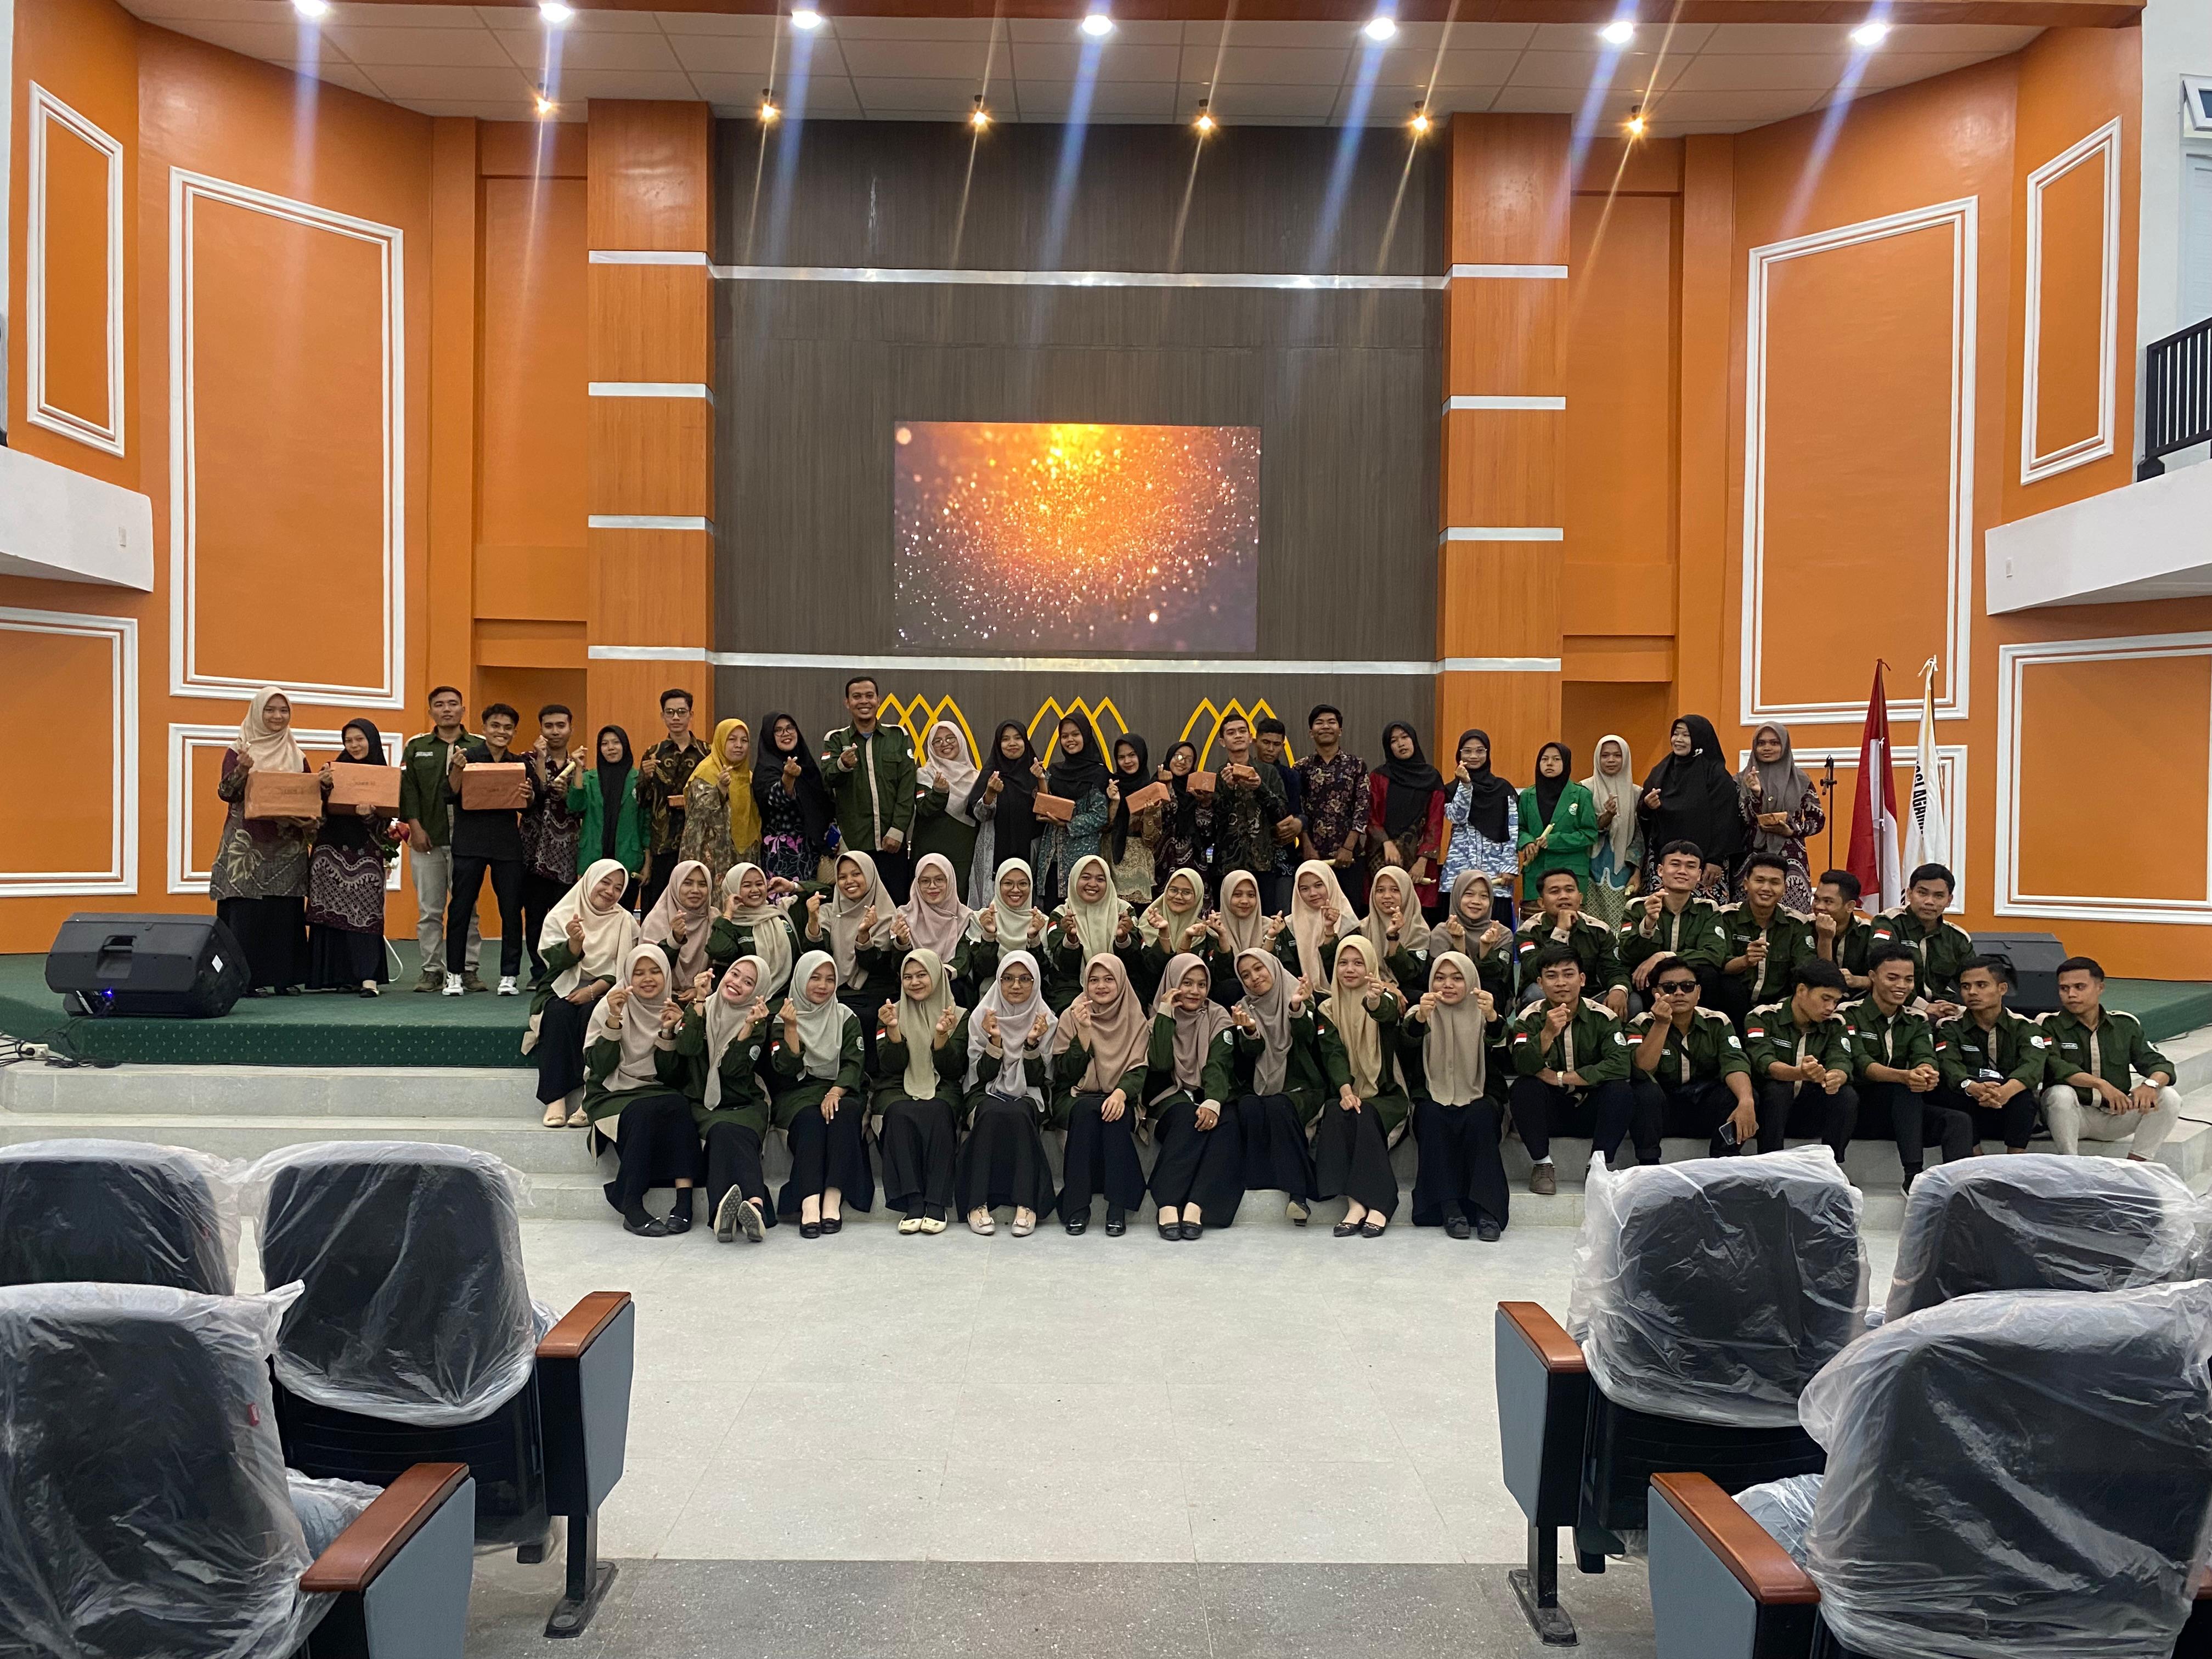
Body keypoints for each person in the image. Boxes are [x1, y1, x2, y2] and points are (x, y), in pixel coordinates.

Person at [583, 943, 704, 1238]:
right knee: (642, 1113)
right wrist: (614, 1021)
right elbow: (600, 1067)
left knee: (679, 1105)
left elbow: (671, 1076)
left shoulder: (672, 1009)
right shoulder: (610, 1006)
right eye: (638, 973)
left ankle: (684, 1202)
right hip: (612, 1092)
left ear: (666, 975)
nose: (648, 979)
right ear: (628, 977)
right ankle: (632, 1203)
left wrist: (668, 1032)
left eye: (655, 972)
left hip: (655, 1091)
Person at [1504, 943, 1635, 1194]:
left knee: (1621, 1091)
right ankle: (1542, 1164)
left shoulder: (1603, 1017)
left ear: (1582, 979)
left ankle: (1597, 1166)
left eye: (1568, 974)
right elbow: (1521, 1064)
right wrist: (1547, 1034)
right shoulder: (1529, 1018)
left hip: (1590, 1109)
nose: (1561, 983)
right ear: (1540, 984)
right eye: (1552, 976)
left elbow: (1621, 1064)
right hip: (1551, 1112)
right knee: (1524, 1088)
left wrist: (1563, 1077)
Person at [211, 686, 315, 995]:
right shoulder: (239, 750)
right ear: (257, 712)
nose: (277, 716)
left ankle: (284, 978)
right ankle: (246, 981)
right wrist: (243, 768)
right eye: (270, 710)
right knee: (247, 916)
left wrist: (312, 809)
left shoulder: (296, 754)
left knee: (284, 914)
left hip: (287, 847)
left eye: (284, 710)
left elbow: (307, 797)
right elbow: (226, 793)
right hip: (247, 846)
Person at [1206, 950, 1322, 1224]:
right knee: (1248, 1106)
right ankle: (1261, 1180)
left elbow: (1307, 1039)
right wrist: (1249, 1031)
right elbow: (1250, 1055)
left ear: (1272, 967)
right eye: (1246, 975)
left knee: (1279, 1106)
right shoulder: (1244, 1008)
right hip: (1262, 1084)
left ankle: (1298, 1195)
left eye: (1259, 969)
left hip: (1302, 1085)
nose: (1254, 978)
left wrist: (1296, 1009)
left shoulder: (1299, 994)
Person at [527, 859, 640, 1127]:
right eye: (605, 882)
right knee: (557, 1014)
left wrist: (593, 990)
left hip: (607, 990)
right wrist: (575, 944)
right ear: (590, 881)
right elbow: (552, 963)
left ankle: (590, 1097)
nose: (610, 892)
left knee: (595, 1015)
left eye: (618, 888)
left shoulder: (625, 921)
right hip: (560, 986)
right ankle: (555, 1099)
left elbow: (627, 968)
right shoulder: (562, 914)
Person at [1402, 950, 1508, 1240]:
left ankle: (1486, 1209)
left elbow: (1502, 1050)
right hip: (1433, 1094)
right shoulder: (1420, 1012)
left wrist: (1493, 1018)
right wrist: (1421, 1018)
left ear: (1471, 982)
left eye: (1457, 978)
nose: (1447, 985)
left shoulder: (1486, 1012)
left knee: (1481, 1115)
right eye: (1440, 978)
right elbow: (1406, 1045)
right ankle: (1448, 1206)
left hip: (1479, 1093)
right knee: (1431, 1115)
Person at [2040, 956, 2183, 1163]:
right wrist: (2100, 1084)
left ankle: (2136, 1166)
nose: (2071, 994)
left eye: (2080, 987)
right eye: (2064, 988)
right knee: (2060, 1094)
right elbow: (2055, 1066)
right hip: (2073, 1115)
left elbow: (2159, 1064)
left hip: (2117, 1114)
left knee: (2169, 1097)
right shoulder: (2048, 1024)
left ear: (2100, 987)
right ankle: (2071, 1165)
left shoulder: (2124, 1025)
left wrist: (2150, 1085)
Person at [1843, 943, 1961, 1192]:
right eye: (1892, 978)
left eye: (1909, 980)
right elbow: (1861, 1063)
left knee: (1957, 1121)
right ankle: (1913, 1176)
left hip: (1903, 1111)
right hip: (1858, 1109)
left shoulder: (1916, 1019)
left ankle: (1960, 1188)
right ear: (1873, 977)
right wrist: (1906, 1076)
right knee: (1904, 1089)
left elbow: (1925, 1055)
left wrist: (1926, 1072)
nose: (1902, 986)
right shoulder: (1848, 1014)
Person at [1311, 934, 1407, 1235]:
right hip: (1348, 1090)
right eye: (1343, 963)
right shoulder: (1327, 1009)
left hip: (1386, 1093)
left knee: (1365, 1116)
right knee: (1337, 1113)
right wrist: (1345, 1090)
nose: (1350, 970)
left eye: (1358, 963)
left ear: (1371, 968)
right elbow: (1333, 1052)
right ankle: (1355, 1204)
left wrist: (1375, 1000)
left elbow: (1387, 1015)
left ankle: (1380, 1204)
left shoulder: (1385, 998)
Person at [1051, 955, 1154, 1237]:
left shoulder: (1135, 1017)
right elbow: (1065, 1073)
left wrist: (1120, 1094)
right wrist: (1084, 1034)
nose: (1101, 986)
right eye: (1094, 980)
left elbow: (1139, 1069)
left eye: (1109, 979)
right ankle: (1078, 1207)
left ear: (1121, 982)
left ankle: (1116, 1208)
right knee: (1086, 1110)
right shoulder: (1073, 1015)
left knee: (1114, 1115)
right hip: (1075, 1095)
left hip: (1120, 1095)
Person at [956, 950, 1057, 1236]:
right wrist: (995, 1041)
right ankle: (976, 1204)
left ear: (1036, 982)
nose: (1016, 986)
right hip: (985, 1091)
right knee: (990, 1112)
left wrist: (1032, 1043)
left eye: (1025, 979)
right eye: (1008, 979)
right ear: (998, 981)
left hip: (1030, 1093)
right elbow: (980, 1077)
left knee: (1020, 1112)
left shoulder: (1047, 1020)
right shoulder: (982, 1016)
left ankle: (1027, 1204)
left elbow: (1040, 1079)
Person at [772, 950, 871, 1237]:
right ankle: (809, 1202)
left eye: (830, 979)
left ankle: (832, 1197)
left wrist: (835, 1092)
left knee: (844, 1112)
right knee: (810, 1120)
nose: (823, 986)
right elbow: (785, 1070)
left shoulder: (846, 1016)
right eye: (815, 978)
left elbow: (854, 1063)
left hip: (842, 1087)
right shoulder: (783, 1018)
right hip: (799, 1090)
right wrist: (792, 1028)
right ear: (801, 979)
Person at [1144, 953, 1242, 1239]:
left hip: (1208, 1091)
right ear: (1173, 983)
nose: (1195, 991)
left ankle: (1197, 1205)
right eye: (1186, 983)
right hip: (1168, 1095)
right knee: (1187, 1119)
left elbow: (1219, 1063)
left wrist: (1212, 1101)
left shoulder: (1217, 1016)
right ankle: (1167, 1204)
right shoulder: (1156, 1019)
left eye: (1202, 985)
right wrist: (1165, 1014)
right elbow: (1160, 1063)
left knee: (1227, 1124)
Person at [873, 948, 968, 1234]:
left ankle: (936, 1202)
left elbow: (955, 1069)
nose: (914, 982)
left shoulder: (959, 1016)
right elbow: (890, 1066)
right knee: (899, 1113)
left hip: (942, 1084)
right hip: (897, 1085)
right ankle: (913, 1201)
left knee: (938, 1111)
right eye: (908, 977)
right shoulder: (890, 1013)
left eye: (922, 975)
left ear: (937, 976)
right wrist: (892, 1030)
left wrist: (941, 1036)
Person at [1627, 954, 1756, 1161]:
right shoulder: (1640, 1024)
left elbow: (1734, 1063)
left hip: (1704, 1106)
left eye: (1687, 986)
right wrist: (1661, 1024)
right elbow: (1643, 1068)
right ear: (1655, 993)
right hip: (1663, 1110)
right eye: (1669, 988)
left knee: (1741, 1094)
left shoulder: (1718, 1022)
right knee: (1644, 1092)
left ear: (1698, 992)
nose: (1679, 993)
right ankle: (1648, 1163)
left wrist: (1746, 1101)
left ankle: (1724, 1159)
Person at [442, 702, 532, 997]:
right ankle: (454, 974)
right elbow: (448, 794)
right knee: (460, 909)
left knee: (511, 910)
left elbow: (530, 806)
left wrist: (529, 795)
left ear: (514, 732)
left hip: (507, 845)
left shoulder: (519, 763)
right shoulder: (466, 757)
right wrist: (457, 769)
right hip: (469, 843)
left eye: (508, 728)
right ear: (484, 728)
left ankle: (509, 976)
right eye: (495, 726)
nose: (501, 732)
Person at [305, 718, 399, 996]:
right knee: (330, 915)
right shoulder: (334, 770)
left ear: (372, 740)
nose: (354, 745)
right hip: (329, 852)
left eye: (360, 739)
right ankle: (339, 976)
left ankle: (368, 978)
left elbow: (385, 826)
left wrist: (370, 816)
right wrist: (320, 787)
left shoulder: (383, 775)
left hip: (366, 854)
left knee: (366, 914)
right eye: (349, 740)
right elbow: (314, 813)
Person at [687, 954, 774, 1244]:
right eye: (735, 974)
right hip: (705, 1103)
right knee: (723, 1131)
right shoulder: (701, 1007)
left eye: (748, 982)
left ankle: (728, 1214)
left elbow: (734, 1071)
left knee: (734, 1132)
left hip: (745, 1101)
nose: (737, 983)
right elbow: (687, 1049)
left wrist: (747, 1028)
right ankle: (756, 1207)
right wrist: (699, 1001)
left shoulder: (758, 1022)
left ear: (758, 991)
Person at [398, 685, 480, 992]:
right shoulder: (416, 746)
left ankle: (468, 969)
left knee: (468, 908)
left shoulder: (479, 745)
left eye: (453, 704)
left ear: (463, 710)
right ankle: (431, 969)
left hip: (468, 842)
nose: (447, 709)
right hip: (427, 839)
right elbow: (408, 789)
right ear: (430, 711)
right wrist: (415, 828)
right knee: (429, 911)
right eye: (440, 705)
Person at [1933, 955, 2051, 1155]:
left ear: (2002, 989)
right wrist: (1972, 1087)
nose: (1972, 992)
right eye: (1965, 986)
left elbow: (2033, 1065)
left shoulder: (2025, 1026)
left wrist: (2005, 1091)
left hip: (2007, 1105)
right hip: (1971, 1104)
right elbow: (1948, 1064)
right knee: (1952, 1094)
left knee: (2024, 1099)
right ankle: (1976, 1156)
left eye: (1981, 985)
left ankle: (2015, 1159)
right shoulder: (1950, 1027)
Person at [1744, 959, 1858, 1158]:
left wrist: (1836, 1077)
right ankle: (1770, 1162)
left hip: (1809, 1106)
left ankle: (1832, 1163)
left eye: (1836, 1001)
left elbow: (1841, 1059)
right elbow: (1764, 1062)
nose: (1831, 1007)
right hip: (1767, 1109)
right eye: (1826, 998)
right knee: (1778, 1089)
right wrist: (1800, 1073)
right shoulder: (1763, 1017)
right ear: (1802, 990)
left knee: (1846, 1095)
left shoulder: (1836, 1023)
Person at [821, 677, 917, 904]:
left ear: (878, 700)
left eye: (869, 696)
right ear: (847, 702)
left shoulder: (898, 736)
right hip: (854, 844)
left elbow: (907, 786)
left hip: (892, 843)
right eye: (857, 697)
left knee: (895, 906)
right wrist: (842, 765)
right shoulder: (836, 739)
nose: (864, 701)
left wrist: (898, 829)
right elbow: (827, 779)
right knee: (856, 908)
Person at [804, 850, 900, 1064]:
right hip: (835, 990)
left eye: (856, 874)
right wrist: (813, 921)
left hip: (874, 991)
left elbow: (881, 967)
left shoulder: (886, 914)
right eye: (842, 877)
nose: (849, 881)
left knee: (868, 1016)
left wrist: (864, 936)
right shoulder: (828, 912)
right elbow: (817, 956)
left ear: (870, 875)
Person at [1636, 715, 1743, 901]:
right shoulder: (1661, 772)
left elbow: (1725, 820)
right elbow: (1645, 816)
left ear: (1700, 738)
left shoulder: (1716, 775)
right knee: (1663, 912)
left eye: (1686, 735)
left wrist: (1715, 860)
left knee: (1705, 912)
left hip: (1705, 866)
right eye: (1676, 734)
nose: (1678, 740)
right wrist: (1647, 806)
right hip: (1664, 863)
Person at [1618, 840, 1729, 1006]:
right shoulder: (1638, 907)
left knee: (1711, 976)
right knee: (1643, 977)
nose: (1682, 871)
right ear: (1660, 870)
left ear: (1699, 874)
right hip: (1650, 982)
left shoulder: (1708, 910)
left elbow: (1714, 954)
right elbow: (1626, 955)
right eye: (1675, 864)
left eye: (1691, 866)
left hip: (1690, 983)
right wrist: (1648, 924)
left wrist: (1663, 956)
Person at [518, 704, 582, 981]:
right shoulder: (526, 761)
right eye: (549, 726)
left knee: (562, 915)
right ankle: (538, 971)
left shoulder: (578, 764)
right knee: (534, 916)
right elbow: (530, 800)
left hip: (566, 852)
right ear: (541, 729)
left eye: (561, 726)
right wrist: (542, 761)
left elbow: (581, 808)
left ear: (570, 728)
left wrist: (568, 793)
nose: (555, 731)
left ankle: (559, 969)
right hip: (533, 850)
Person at [1714, 851, 1811, 1030]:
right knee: (1727, 985)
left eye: (1775, 883)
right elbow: (1718, 966)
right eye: (1760, 881)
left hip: (1779, 1007)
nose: (1766, 888)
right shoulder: (1725, 917)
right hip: (1732, 1006)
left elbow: (1805, 972)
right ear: (1746, 884)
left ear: (1784, 888)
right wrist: (1745, 961)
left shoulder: (1797, 924)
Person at [1513, 867, 1629, 1017]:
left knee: (1631, 1002)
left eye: (1569, 890)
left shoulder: (1599, 930)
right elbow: (1534, 969)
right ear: (1541, 903)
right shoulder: (1528, 931)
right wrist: (1560, 932)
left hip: (1590, 998)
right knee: (1535, 994)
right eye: (1555, 892)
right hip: (1547, 994)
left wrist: (1618, 989)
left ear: (1580, 898)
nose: (1563, 896)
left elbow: (1614, 968)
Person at [1867, 863, 1974, 1020]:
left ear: (1949, 900)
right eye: (1922, 893)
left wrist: (1958, 1007)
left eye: (1939, 896)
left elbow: (1973, 980)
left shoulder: (1957, 938)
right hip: (1898, 1007)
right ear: (1909, 894)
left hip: (1943, 1009)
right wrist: (1924, 1006)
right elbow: (1883, 970)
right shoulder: (1888, 923)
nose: (1929, 902)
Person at [1737, 722, 1825, 914]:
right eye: (1761, 743)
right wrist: (1756, 794)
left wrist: (1792, 830)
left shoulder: (1801, 780)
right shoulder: (1741, 780)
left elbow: (1817, 820)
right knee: (1748, 916)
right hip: (1751, 856)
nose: (1767, 748)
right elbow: (1741, 819)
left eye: (1774, 743)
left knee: (1792, 917)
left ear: (1784, 746)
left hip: (1791, 859)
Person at [637, 688, 708, 917]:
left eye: (681, 712)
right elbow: (641, 801)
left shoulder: (707, 753)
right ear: (663, 716)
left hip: (697, 840)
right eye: (670, 712)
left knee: (696, 904)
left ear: (691, 714)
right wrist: (646, 777)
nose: (676, 717)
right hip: (662, 842)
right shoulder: (653, 753)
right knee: (658, 907)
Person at [1438, 728, 1518, 928]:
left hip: (1495, 874)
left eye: (1480, 751)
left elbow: (1513, 829)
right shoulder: (1451, 789)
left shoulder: (1503, 788)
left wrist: (1509, 867)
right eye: (1467, 751)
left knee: (1495, 932)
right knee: (1455, 930)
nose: (1474, 756)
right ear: (1459, 754)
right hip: (1459, 873)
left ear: (1487, 753)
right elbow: (1457, 817)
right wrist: (1465, 785)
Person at [1035, 712, 1113, 909]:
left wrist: (1067, 823)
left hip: (1083, 858)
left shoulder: (1099, 774)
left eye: (1076, 734)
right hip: (1052, 856)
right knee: (1053, 913)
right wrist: (1041, 779)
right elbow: (1046, 802)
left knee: (1080, 911)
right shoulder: (1055, 770)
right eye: (1065, 736)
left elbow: (1100, 816)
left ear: (1086, 736)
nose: (1070, 740)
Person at [1296, 704, 1372, 905]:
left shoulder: (1356, 765)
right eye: (1319, 723)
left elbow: (1363, 807)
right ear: (1311, 732)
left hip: (1350, 857)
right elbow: (1297, 809)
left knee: (1350, 911)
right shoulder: (1301, 767)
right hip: (1312, 856)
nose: (1326, 727)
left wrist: (1348, 848)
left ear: (1340, 730)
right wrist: (1307, 846)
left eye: (1331, 722)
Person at [1042, 853, 1138, 1011]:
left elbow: (1134, 963)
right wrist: (1071, 939)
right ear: (1074, 880)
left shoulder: (1124, 911)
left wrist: (1123, 939)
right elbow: (1064, 967)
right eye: (1086, 878)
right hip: (1074, 986)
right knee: (1070, 1013)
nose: (1093, 884)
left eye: (1100, 879)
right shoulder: (1061, 914)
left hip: (1119, 983)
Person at [1368, 721, 1446, 913]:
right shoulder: (1379, 777)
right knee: (1384, 910)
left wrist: (1423, 861)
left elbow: (1435, 822)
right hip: (1384, 857)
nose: (1401, 744)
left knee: (1417, 913)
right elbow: (1370, 816)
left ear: (1414, 740)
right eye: (1394, 741)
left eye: (1405, 737)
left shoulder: (1432, 777)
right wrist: (1386, 843)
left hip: (1419, 861)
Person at [1209, 714, 1288, 900]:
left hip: (1263, 863)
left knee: (1266, 916)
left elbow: (1282, 813)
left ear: (1250, 737)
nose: (1238, 735)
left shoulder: (1268, 772)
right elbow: (1212, 823)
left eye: (1242, 731)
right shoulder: (1216, 777)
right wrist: (1228, 790)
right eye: (1231, 732)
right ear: (1222, 741)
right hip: (1227, 864)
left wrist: (1260, 788)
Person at [680, 717, 761, 892]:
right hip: (711, 855)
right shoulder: (707, 771)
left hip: (742, 856)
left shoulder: (748, 777)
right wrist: (720, 789)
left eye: (744, 740)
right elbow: (697, 815)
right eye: (732, 739)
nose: (739, 745)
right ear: (720, 741)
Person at [568, 726, 646, 910]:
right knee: (589, 914)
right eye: (605, 744)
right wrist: (578, 769)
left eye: (616, 742)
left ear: (625, 746)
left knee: (623, 914)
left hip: (628, 859)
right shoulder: (589, 778)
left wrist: (648, 862)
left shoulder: (638, 779)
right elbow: (575, 806)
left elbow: (645, 822)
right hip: (593, 857)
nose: (611, 748)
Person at [754, 711, 834, 886]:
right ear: (769, 736)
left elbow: (824, 804)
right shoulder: (766, 768)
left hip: (814, 853)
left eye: (790, 728)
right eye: (778, 730)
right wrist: (788, 778)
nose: (786, 733)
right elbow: (774, 799)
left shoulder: (806, 764)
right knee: (788, 902)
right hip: (784, 859)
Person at [966, 722, 1043, 899]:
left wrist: (1041, 780)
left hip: (1029, 850)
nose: (1012, 743)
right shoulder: (991, 774)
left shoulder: (1036, 773)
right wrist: (990, 793)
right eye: (1006, 739)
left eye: (1018, 738)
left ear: (1025, 742)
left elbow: (1047, 812)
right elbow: (979, 815)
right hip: (995, 852)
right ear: (998, 744)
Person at [1517, 742, 1598, 904]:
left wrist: (1554, 840)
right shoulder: (1527, 796)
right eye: (1544, 759)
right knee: (1535, 917)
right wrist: (1526, 842)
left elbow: (1590, 834)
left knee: (1569, 917)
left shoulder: (1581, 795)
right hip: (1536, 873)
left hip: (1570, 873)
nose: (1549, 763)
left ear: (1566, 763)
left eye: (1556, 759)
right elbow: (1518, 828)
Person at [707, 861, 800, 997]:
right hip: (742, 1000)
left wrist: (792, 886)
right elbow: (719, 951)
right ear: (733, 890)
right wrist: (728, 914)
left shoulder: (782, 914)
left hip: (785, 998)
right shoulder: (729, 925)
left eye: (760, 884)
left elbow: (827, 892)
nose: (755, 890)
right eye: (747, 885)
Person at [911, 721, 980, 902]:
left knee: (960, 900)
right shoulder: (924, 775)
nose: (945, 744)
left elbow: (982, 814)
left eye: (951, 738)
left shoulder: (976, 778)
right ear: (931, 747)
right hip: (930, 850)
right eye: (938, 741)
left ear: (960, 741)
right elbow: (924, 808)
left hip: (964, 851)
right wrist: (939, 793)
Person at [889, 851, 977, 990]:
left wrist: (939, 975)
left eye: (939, 880)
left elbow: (963, 960)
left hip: (951, 985)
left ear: (950, 881)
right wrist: (902, 943)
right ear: (917, 884)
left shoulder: (964, 916)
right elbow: (898, 966)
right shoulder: (904, 916)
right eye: (925, 881)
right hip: (913, 987)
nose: (932, 886)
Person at [966, 858, 1052, 997]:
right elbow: (984, 971)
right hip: (991, 995)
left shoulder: (1040, 922)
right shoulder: (982, 919)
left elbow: (1042, 973)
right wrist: (989, 936)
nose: (1016, 890)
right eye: (1008, 883)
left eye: (1023, 884)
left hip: (1032, 996)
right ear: (998, 886)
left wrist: (1034, 939)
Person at [1582, 735, 1643, 928]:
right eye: (1605, 755)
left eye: (1617, 755)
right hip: (1589, 868)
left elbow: (1640, 838)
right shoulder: (1584, 790)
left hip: (1624, 870)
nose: (1611, 760)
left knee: (1621, 926)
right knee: (1591, 926)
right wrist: (1607, 816)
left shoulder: (1636, 793)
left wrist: (1637, 872)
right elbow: (1584, 830)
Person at [1437, 872, 1516, 1012]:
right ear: (1457, 895)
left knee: (1491, 988)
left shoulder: (1502, 933)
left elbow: (1500, 978)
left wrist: (1485, 949)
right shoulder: (1442, 932)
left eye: (1484, 896)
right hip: (1448, 998)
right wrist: (1458, 942)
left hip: (1490, 1004)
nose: (1476, 901)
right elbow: (1441, 978)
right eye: (1469, 894)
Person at [640, 858, 714, 1005]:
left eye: (702, 884)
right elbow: (649, 967)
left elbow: (722, 966)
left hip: (705, 999)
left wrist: (702, 990)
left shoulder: (714, 919)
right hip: (659, 999)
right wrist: (674, 940)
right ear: (675, 885)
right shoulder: (657, 920)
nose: (695, 890)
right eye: (688, 883)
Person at [1201, 869, 1282, 1005]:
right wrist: (1223, 937)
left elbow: (1274, 973)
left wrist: (1271, 937)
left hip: (1269, 1000)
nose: (1245, 901)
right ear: (1226, 896)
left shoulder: (1270, 926)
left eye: (1251, 895)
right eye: (1237, 895)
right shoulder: (1213, 929)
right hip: (1229, 1005)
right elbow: (1222, 979)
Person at [1253, 719, 1305, 915]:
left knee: (1283, 915)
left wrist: (1300, 823)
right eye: (1266, 743)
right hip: (1249, 859)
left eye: (1276, 745)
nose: (1270, 749)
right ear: (1255, 741)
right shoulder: (1244, 772)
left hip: (1283, 857)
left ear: (1283, 747)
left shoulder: (1291, 776)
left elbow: (1300, 811)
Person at [1280, 859, 1358, 988]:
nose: (1313, 893)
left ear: (1330, 883)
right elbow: (1288, 971)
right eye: (1305, 889)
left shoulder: (1348, 922)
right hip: (1302, 993)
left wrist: (1329, 931)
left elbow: (1348, 969)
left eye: (1318, 885)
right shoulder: (1289, 926)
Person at [1138, 866, 1210, 1000]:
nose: (1178, 897)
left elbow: (1186, 976)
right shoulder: (1146, 924)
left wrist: (1187, 938)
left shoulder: (1202, 932)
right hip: (1148, 1000)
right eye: (1173, 890)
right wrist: (1164, 933)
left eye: (1187, 892)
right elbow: (1147, 973)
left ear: (1198, 896)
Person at [1103, 733, 1158, 902]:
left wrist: (1148, 815)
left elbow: (1152, 839)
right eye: (1121, 757)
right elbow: (1104, 827)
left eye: (1132, 755)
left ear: (1141, 755)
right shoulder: (1111, 785)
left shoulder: (1151, 789)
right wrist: (1114, 802)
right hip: (1110, 861)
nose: (1127, 761)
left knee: (1135, 916)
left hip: (1138, 867)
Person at [1149, 741, 1210, 887]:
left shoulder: (1197, 789)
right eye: (1179, 757)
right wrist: (1168, 788)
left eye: (1189, 760)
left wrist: (1205, 803)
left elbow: (1207, 831)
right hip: (1162, 861)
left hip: (1194, 860)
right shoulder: (1154, 786)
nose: (1183, 762)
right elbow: (1164, 821)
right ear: (1170, 757)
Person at [1359, 865, 1430, 990]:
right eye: (1380, 890)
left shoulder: (1419, 931)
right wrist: (1385, 987)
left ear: (1407, 892)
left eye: (1395, 890)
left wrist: (1393, 937)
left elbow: (1408, 975)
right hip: (1368, 990)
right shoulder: (1361, 929)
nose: (1387, 896)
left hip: (1407, 995)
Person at [1811, 868, 1876, 994]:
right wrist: (1825, 939)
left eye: (1828, 902)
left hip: (1859, 1001)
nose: (1819, 906)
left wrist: (1859, 981)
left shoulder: (1868, 932)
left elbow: (1887, 979)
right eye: (1817, 899)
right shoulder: (1804, 927)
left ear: (1850, 907)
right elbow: (1823, 980)